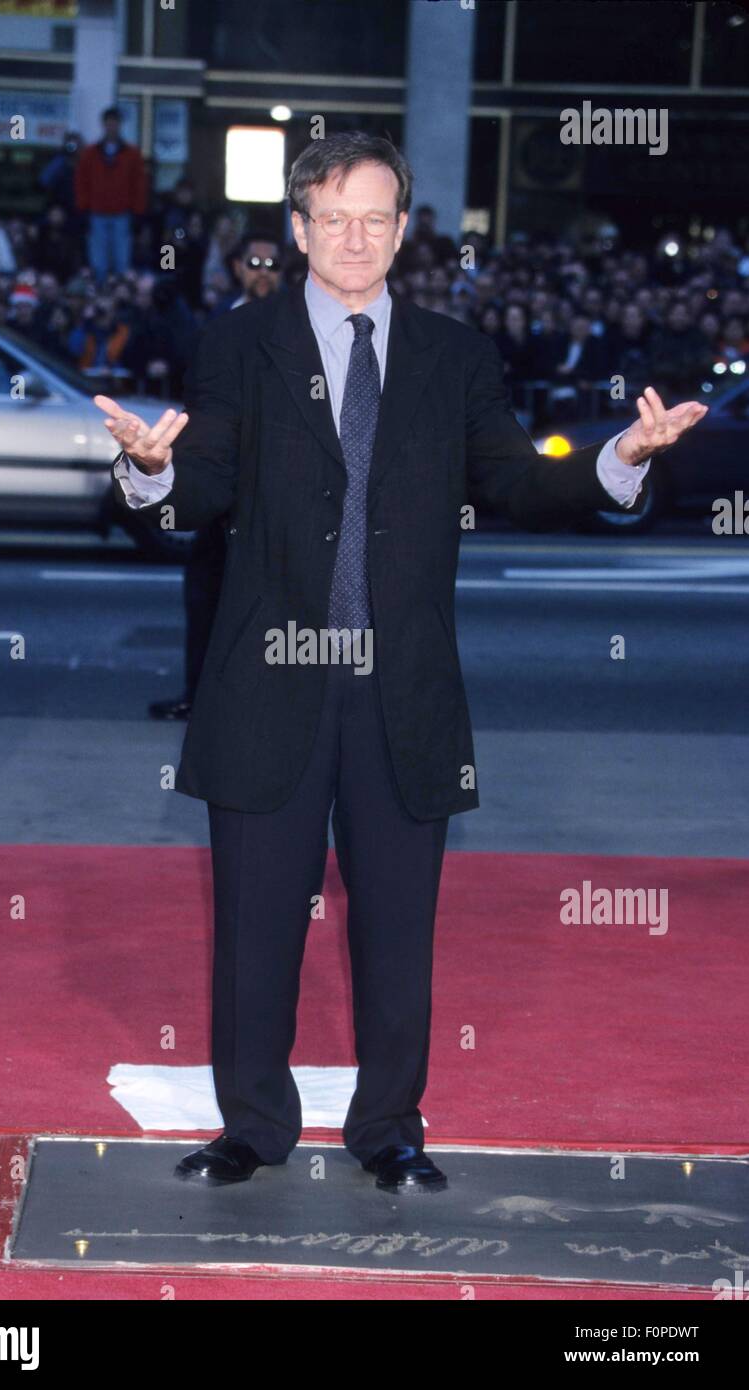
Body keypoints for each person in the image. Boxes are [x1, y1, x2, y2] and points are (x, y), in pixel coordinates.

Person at [94, 133, 706, 1195]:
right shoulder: (242, 343)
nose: (354, 239)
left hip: (403, 687)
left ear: (404, 229)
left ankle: (390, 1128)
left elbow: (517, 480)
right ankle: (251, 1126)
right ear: (297, 231)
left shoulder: (454, 357)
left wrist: (618, 459)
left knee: (396, 932)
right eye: (332, 218)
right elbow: (202, 482)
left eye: (375, 218)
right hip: (270, 677)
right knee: (255, 924)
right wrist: (148, 473)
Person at [149, 234, 282, 722]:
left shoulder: (300, 321)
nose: (263, 270)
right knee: (205, 588)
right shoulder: (217, 323)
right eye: (254, 262)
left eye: (272, 262)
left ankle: (261, 700)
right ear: (235, 266)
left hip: (277, 481)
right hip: (222, 477)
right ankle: (198, 693)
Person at [74, 107, 147, 283]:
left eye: (115, 123)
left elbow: (139, 184)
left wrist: (137, 212)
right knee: (98, 263)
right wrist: (83, 208)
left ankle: (120, 296)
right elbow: (81, 182)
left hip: (122, 214)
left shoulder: (132, 154)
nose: (112, 127)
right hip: (97, 213)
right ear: (103, 125)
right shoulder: (90, 153)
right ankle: (100, 294)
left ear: (120, 125)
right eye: (109, 123)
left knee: (122, 261)